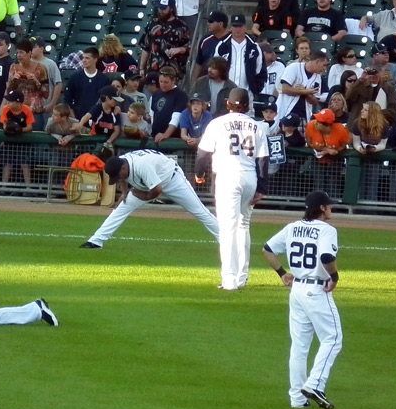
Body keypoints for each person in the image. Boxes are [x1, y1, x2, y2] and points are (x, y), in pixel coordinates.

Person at [262, 190, 342, 409]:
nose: (331, 208)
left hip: (296, 290)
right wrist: (334, 276)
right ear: (322, 208)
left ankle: (297, 399)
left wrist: (282, 273)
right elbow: (326, 257)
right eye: (329, 205)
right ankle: (315, 384)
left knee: (299, 346)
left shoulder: (292, 227)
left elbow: (267, 250)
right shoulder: (327, 230)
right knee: (333, 338)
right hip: (317, 290)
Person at [195, 89, 269, 291]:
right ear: (248, 106)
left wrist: (199, 174)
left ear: (228, 104)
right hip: (250, 177)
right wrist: (261, 188)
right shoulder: (257, 126)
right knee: (243, 225)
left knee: (227, 229)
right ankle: (242, 277)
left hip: (227, 177)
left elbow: (203, 154)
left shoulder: (217, 123)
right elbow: (263, 159)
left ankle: (229, 280)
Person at [79, 150, 220, 249]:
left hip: (173, 180)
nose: (118, 178)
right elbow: (121, 178)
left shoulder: (141, 166)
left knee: (200, 211)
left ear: (123, 167)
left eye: (118, 175)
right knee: (121, 208)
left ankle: (226, 239)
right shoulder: (121, 163)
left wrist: (145, 196)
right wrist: (124, 193)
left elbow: (157, 190)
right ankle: (96, 241)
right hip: (147, 183)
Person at [138, 0, 191, 76]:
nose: (160, 11)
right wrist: (141, 68)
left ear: (172, 8)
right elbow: (145, 47)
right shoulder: (153, 23)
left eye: (164, 8)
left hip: (172, 71)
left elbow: (189, 48)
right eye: (159, 8)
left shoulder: (181, 26)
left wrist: (179, 49)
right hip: (153, 70)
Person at [215, 15, 266, 97]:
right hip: (225, 92)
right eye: (235, 26)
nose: (237, 29)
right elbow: (215, 68)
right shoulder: (222, 46)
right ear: (231, 28)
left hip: (247, 93)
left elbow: (260, 70)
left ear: (245, 27)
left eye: (240, 26)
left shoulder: (254, 47)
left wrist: (256, 89)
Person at [351, 101, 390, 201]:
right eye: (362, 109)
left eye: (365, 110)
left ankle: (371, 207)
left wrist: (374, 148)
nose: (362, 111)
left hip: (376, 158)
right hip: (361, 156)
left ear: (372, 113)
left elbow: (383, 144)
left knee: (372, 186)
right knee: (361, 184)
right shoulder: (357, 123)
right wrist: (359, 149)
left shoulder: (384, 125)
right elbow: (356, 142)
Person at [278, 49, 329, 122]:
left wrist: (305, 92)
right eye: (324, 65)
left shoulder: (318, 77)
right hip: (285, 112)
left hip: (303, 116)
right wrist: (306, 92)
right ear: (317, 61)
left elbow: (315, 101)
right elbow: (285, 89)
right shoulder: (294, 67)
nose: (324, 69)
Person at [63, 46, 109, 120]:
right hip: (77, 118)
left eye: (87, 58)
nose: (84, 60)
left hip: (97, 120)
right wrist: (73, 118)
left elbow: (106, 101)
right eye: (83, 58)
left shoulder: (104, 79)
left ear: (95, 59)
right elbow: (67, 99)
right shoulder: (75, 77)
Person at [150, 66, 188, 143]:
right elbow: (152, 114)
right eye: (161, 82)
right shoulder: (156, 94)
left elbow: (176, 118)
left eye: (166, 82)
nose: (163, 85)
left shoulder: (180, 95)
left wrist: (166, 134)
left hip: (172, 138)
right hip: (155, 136)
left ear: (173, 80)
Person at [192, 10, 230, 80]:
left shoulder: (232, 41)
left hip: (225, 81)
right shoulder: (205, 40)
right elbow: (199, 63)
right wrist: (195, 82)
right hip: (206, 81)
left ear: (220, 24)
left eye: (211, 21)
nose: (208, 24)